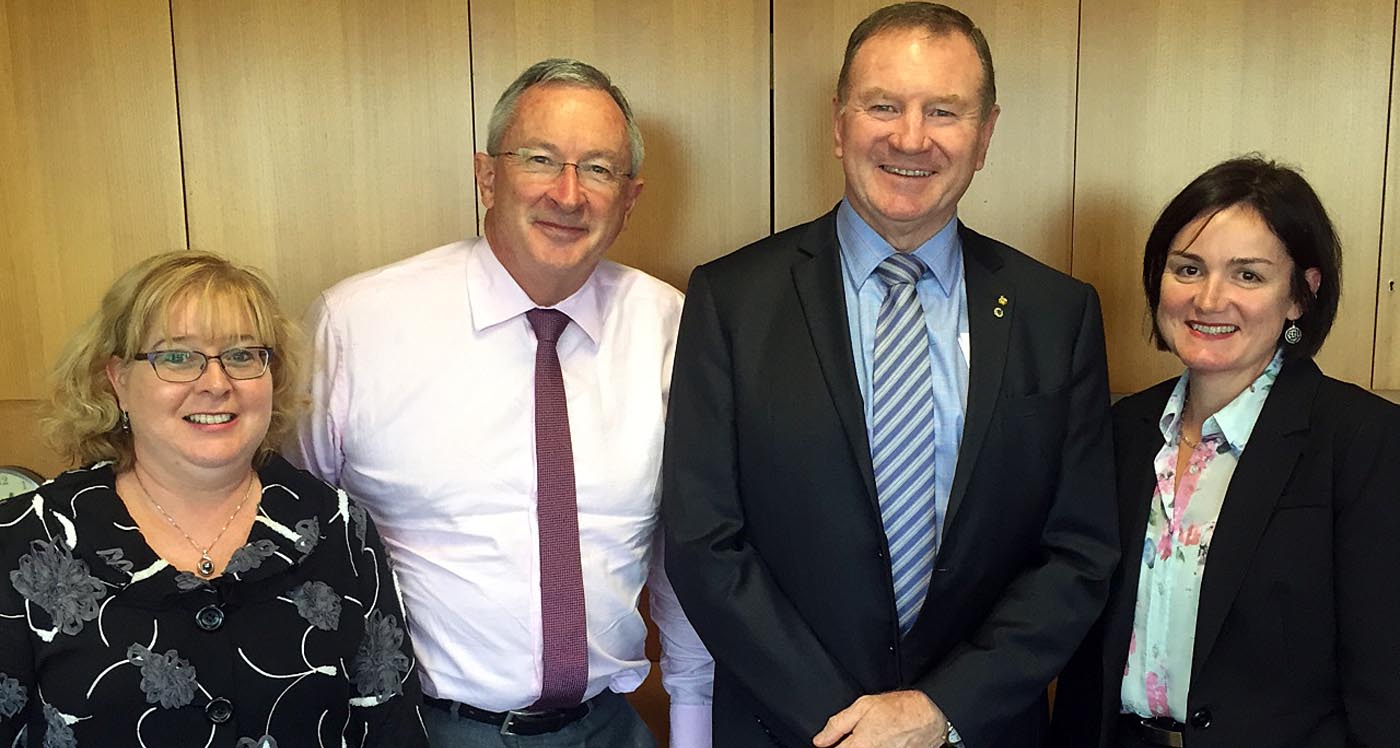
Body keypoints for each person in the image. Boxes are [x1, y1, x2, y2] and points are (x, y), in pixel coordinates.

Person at [660, 3, 1118, 747]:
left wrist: (940, 711)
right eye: (884, 106)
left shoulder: (1055, 314)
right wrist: (845, 726)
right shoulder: (732, 300)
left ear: (986, 135)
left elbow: (1077, 553)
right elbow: (704, 542)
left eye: (945, 111)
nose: (912, 137)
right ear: (839, 123)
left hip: (979, 729)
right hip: (789, 730)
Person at [290, 58, 713, 748]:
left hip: (609, 729)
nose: (568, 194)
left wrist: (692, 734)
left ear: (630, 198)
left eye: (599, 169)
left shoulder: (674, 329)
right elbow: (294, 546)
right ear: (488, 175)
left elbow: (688, 560)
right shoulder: (356, 326)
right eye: (540, 159)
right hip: (422, 727)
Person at [0, 251, 426, 747]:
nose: (217, 384)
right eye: (177, 357)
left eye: (243, 355)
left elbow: (390, 724)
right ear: (117, 380)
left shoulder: (337, 525)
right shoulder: (25, 538)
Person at [1050, 156, 1400, 748]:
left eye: (1248, 276)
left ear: (1300, 295)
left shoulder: (1363, 441)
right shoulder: (1122, 429)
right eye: (1188, 269)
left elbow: (1383, 680)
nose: (1209, 300)